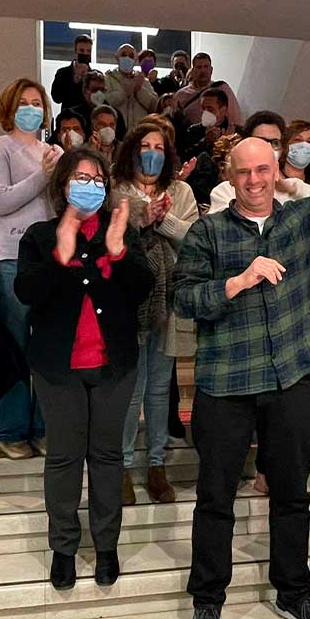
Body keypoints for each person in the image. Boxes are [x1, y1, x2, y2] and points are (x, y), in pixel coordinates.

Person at [172, 61, 310, 619]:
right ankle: (208, 601)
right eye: (246, 171)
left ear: (277, 169)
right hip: (225, 383)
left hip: (291, 375)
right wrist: (236, 282)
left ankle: (294, 592)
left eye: (265, 168)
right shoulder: (209, 235)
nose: (256, 179)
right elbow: (186, 300)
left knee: (292, 493)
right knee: (215, 496)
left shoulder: (303, 220)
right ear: (230, 175)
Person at [14, 148, 153, 591]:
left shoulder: (120, 231)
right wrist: (61, 254)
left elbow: (142, 290)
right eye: (80, 176)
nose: (89, 184)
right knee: (64, 458)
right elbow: (26, 292)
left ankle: (107, 546)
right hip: (59, 369)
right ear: (62, 185)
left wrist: (118, 254)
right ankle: (64, 549)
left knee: (108, 457)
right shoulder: (39, 236)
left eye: (97, 178)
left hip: (114, 366)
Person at [111, 122, 200, 505]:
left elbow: (194, 239)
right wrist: (139, 219)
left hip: (171, 301)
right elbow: (110, 238)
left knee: (162, 389)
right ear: (131, 150)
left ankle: (158, 464)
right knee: (132, 391)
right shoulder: (116, 191)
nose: (151, 152)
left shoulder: (181, 190)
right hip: (130, 301)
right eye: (144, 145)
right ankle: (124, 467)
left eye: (159, 147)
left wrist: (162, 219)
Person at [0, 78, 65, 460]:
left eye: (37, 102)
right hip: (12, 255)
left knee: (48, 346)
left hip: (49, 258)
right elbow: (0, 200)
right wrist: (43, 176)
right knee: (14, 346)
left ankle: (46, 426)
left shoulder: (54, 151)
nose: (32, 108)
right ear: (10, 108)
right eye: (24, 102)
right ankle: (11, 429)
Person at [207, 111, 310, 214]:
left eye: (275, 142)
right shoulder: (226, 191)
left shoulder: (296, 187)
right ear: (245, 143)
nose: (268, 147)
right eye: (261, 141)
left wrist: (293, 191)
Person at [180, 88, 237, 206]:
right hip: (198, 190)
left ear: (223, 110)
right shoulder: (193, 130)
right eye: (203, 109)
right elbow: (185, 156)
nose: (205, 113)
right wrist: (205, 142)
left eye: (210, 109)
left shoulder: (236, 132)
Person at [171, 52, 243, 128]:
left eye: (206, 67)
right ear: (193, 71)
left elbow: (235, 117)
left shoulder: (222, 88)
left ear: (211, 70)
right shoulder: (181, 94)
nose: (203, 71)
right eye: (199, 67)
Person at [104, 43, 158, 127]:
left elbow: (154, 105)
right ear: (117, 58)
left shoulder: (143, 80)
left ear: (135, 60)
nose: (127, 58)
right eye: (123, 55)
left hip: (139, 131)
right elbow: (105, 103)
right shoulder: (108, 79)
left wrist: (139, 90)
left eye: (131, 56)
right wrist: (124, 92)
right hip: (116, 130)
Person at [50, 34, 93, 111]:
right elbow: (56, 98)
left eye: (88, 51)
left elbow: (97, 102)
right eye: (81, 50)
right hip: (67, 118)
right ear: (75, 51)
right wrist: (76, 78)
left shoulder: (95, 75)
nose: (85, 54)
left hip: (88, 119)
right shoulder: (62, 73)